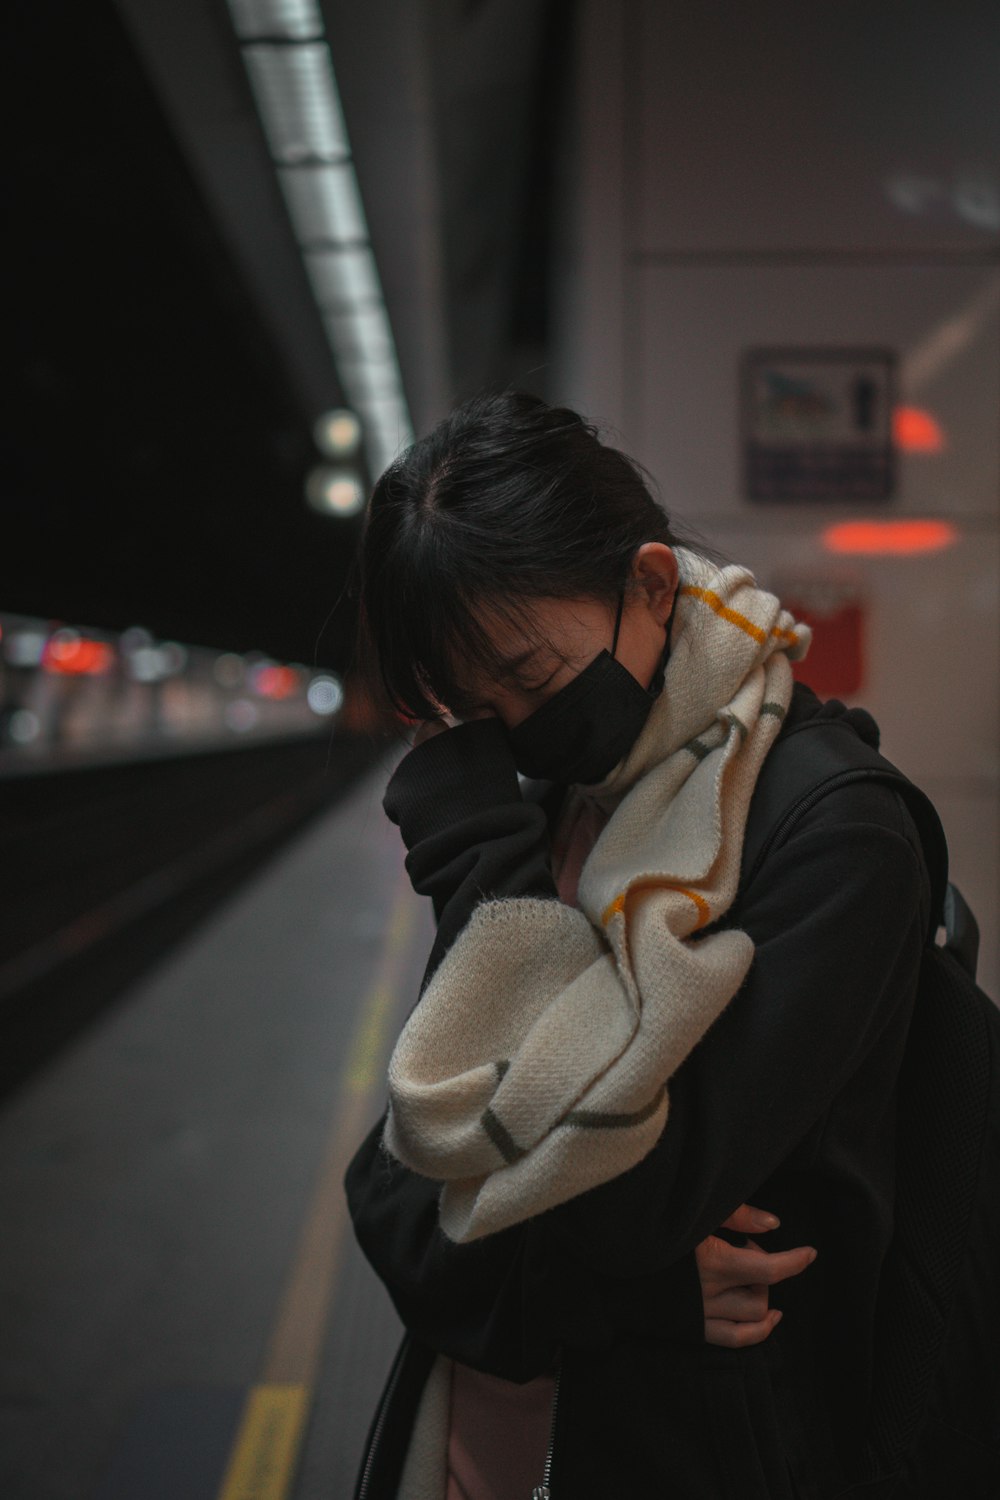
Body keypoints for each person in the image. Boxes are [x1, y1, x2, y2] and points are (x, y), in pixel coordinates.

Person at [344, 391, 931, 1498]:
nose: (512, 729)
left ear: (650, 586)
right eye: (471, 706)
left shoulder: (831, 833)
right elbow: (394, 1189)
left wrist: (479, 862)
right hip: (475, 1441)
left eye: (527, 676)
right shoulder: (560, 783)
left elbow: (626, 1203)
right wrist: (633, 1298)